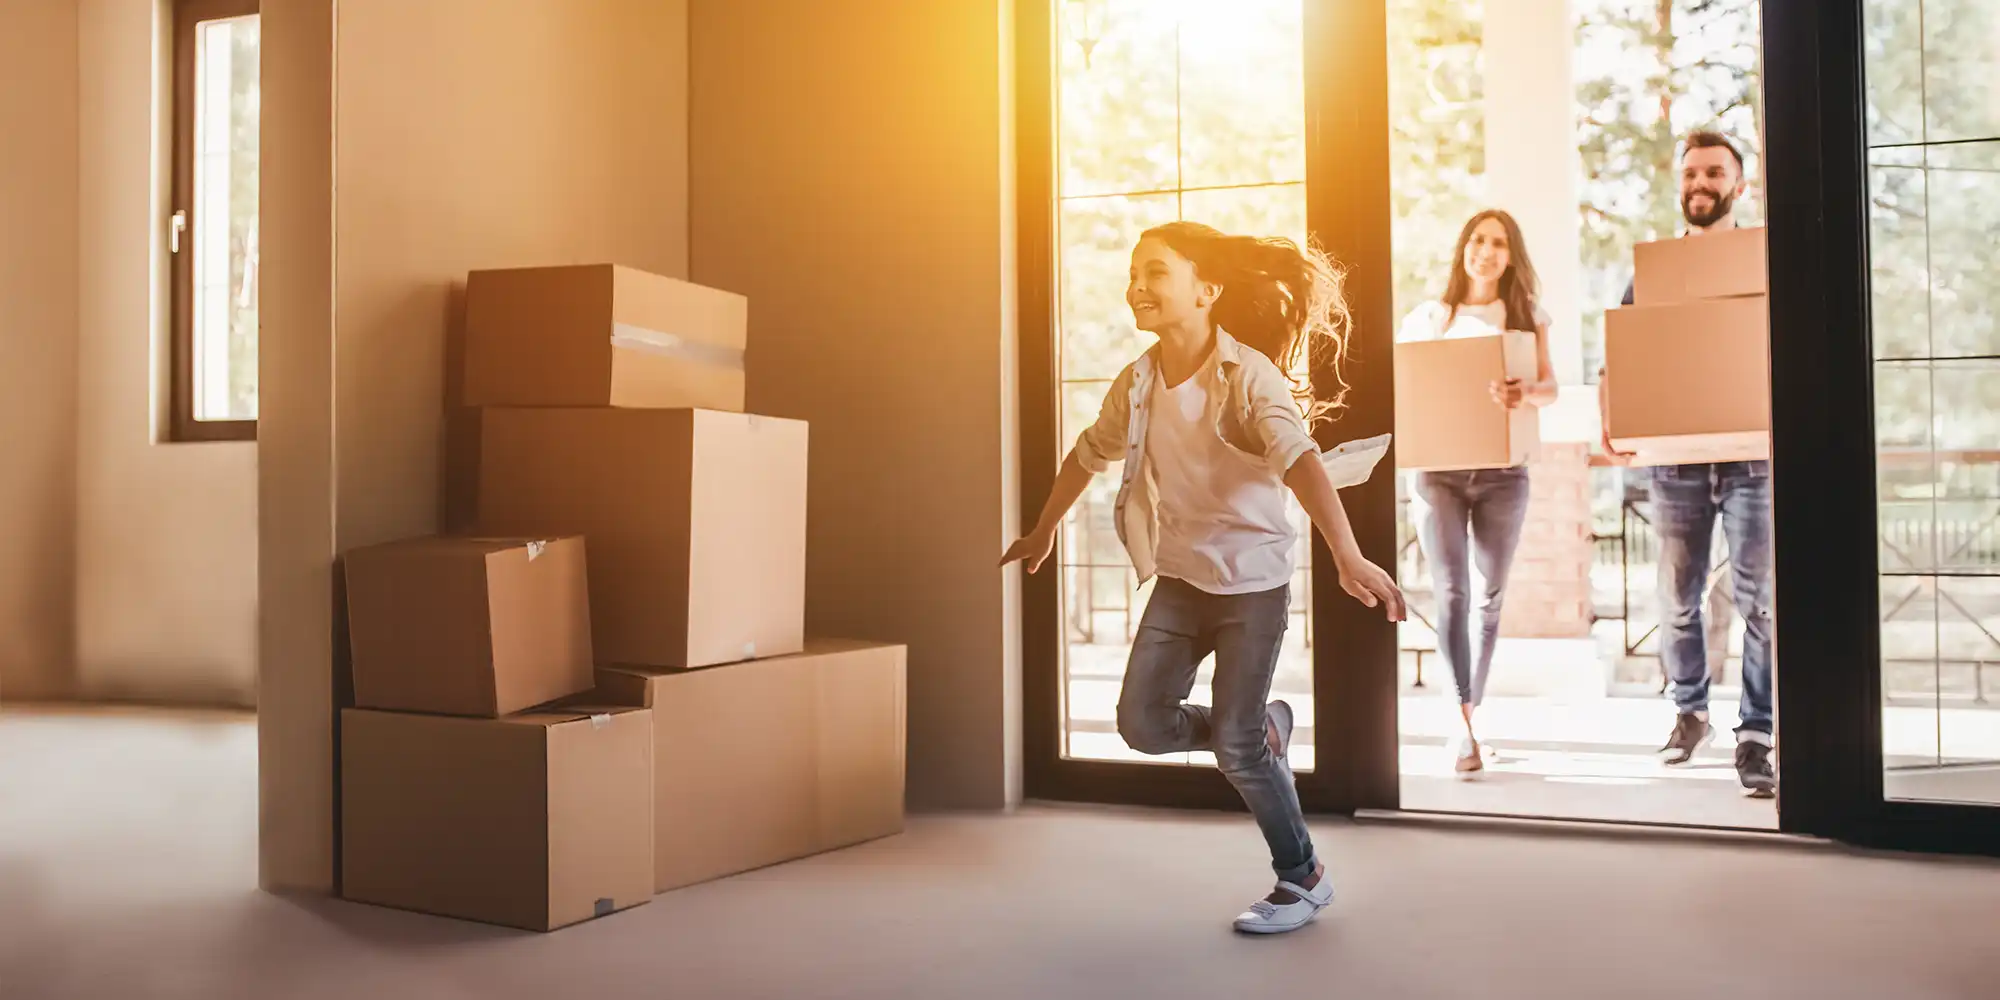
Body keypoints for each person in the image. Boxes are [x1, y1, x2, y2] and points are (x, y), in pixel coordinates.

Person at [1000, 221, 1406, 935]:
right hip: (1182, 581)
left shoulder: (1248, 375)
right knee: (1141, 724)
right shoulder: (1137, 381)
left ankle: (1302, 876)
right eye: (1134, 272)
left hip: (1253, 585)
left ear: (1206, 290)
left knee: (1238, 751)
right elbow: (1086, 454)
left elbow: (1301, 460)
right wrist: (1043, 530)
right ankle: (1254, 731)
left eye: (1156, 271)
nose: (1138, 285)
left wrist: (1345, 553)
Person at [1599, 130, 1777, 798]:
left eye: (1714, 172)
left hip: (1751, 457)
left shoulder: (1761, 263)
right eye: (1691, 173)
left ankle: (1757, 733)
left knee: (1761, 602)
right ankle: (1689, 712)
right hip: (1673, 463)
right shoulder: (1652, 273)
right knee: (1677, 598)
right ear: (1680, 184)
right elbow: (1619, 356)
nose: (1700, 183)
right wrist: (1612, 422)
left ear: (1739, 184)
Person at [1397, 209, 1560, 778]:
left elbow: (1550, 388)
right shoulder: (1428, 318)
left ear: (1511, 255)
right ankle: (1460, 722)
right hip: (1438, 474)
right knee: (1452, 593)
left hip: (1502, 474)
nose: (1485, 251)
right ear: (1463, 248)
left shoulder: (1525, 315)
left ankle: (1474, 712)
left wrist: (1525, 392)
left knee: (1489, 599)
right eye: (1477, 239)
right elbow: (1408, 386)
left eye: (1498, 243)